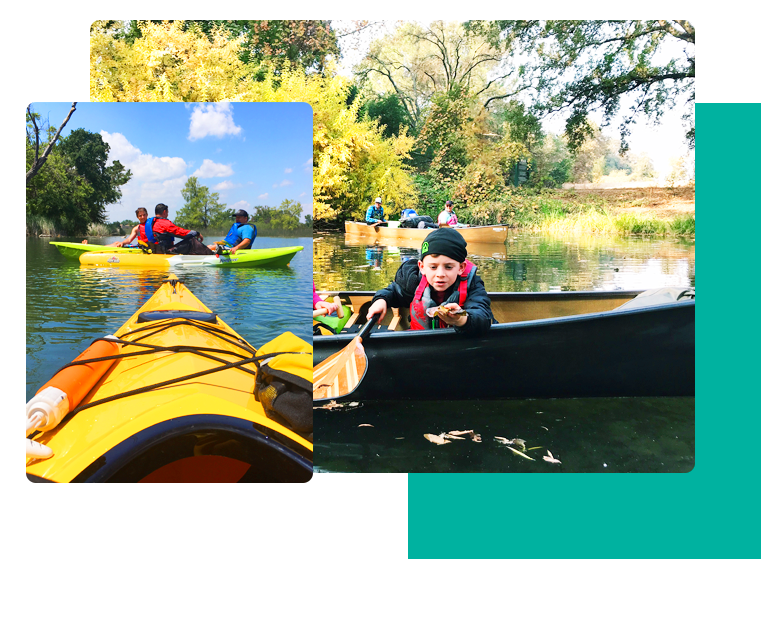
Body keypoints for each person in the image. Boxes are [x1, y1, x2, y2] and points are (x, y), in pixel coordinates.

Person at [366, 228, 493, 335]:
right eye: (433, 267)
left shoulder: (472, 285)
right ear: (422, 267)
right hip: (422, 344)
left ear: (461, 268)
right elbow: (393, 292)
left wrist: (461, 320)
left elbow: (483, 315)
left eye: (448, 267)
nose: (440, 274)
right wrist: (381, 300)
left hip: (459, 346)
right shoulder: (413, 280)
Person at [145, 203, 209, 255]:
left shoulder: (151, 223)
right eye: (167, 213)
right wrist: (196, 233)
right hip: (166, 252)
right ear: (164, 212)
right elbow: (182, 233)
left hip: (155, 251)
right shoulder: (164, 223)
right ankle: (210, 254)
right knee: (191, 240)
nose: (167, 215)